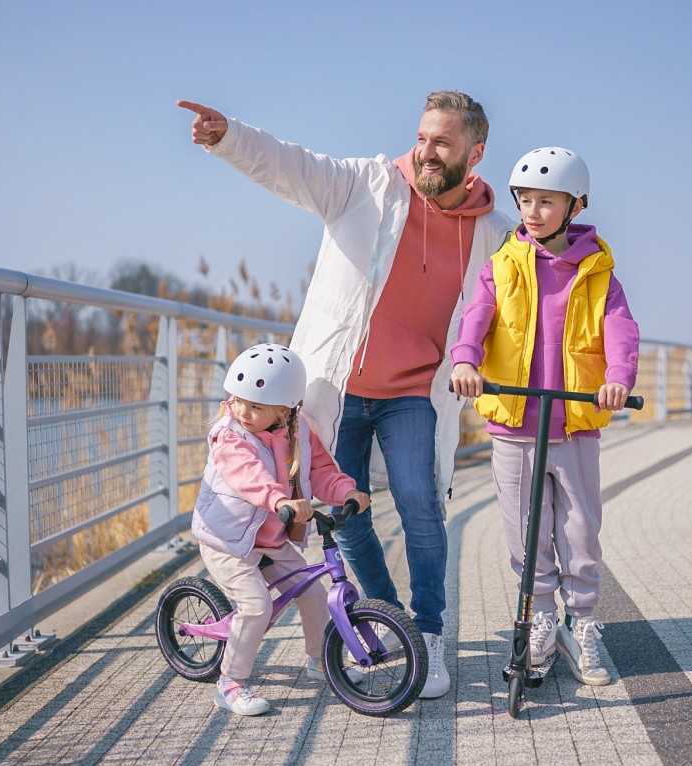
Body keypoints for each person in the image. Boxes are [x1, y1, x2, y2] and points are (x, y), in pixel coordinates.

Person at [178, 92, 513, 699]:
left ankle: (430, 635)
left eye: (443, 142)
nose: (426, 151)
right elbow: (291, 165)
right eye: (422, 137)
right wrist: (230, 137)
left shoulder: (494, 232)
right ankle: (390, 620)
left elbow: (536, 285)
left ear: (475, 152)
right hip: (338, 388)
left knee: (420, 503)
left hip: (417, 393)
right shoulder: (367, 186)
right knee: (344, 510)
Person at [449, 147, 639, 686]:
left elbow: (621, 329)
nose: (532, 212)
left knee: (580, 530)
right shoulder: (502, 266)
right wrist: (466, 361)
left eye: (546, 202)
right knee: (526, 533)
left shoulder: (599, 271)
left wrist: (618, 377)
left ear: (574, 205)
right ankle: (542, 619)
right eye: (525, 201)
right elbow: (475, 319)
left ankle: (583, 624)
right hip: (514, 426)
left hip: (575, 423)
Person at [191, 342, 370, 715]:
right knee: (256, 606)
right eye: (237, 399)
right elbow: (248, 477)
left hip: (270, 540)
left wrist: (346, 490)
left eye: (255, 406)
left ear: (285, 409)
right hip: (228, 541)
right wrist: (279, 500)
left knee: (315, 594)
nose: (242, 410)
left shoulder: (298, 431)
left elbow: (320, 470)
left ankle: (321, 659)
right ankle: (230, 683)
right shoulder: (230, 436)